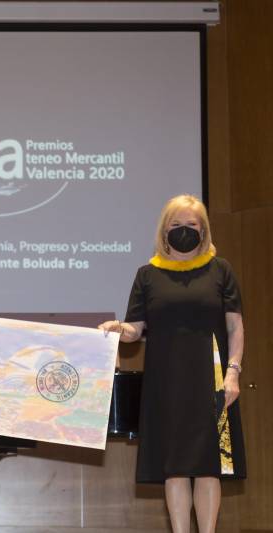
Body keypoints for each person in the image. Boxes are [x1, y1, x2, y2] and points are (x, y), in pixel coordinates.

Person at [99, 194, 246, 533]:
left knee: (210, 466)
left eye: (191, 225)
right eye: (176, 225)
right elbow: (135, 330)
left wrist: (234, 372)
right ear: (164, 232)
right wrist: (115, 328)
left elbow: (236, 326)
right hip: (166, 382)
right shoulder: (147, 275)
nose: (184, 231)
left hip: (213, 380)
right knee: (174, 467)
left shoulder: (221, 270)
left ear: (204, 229)